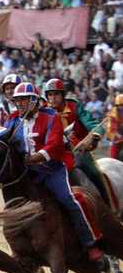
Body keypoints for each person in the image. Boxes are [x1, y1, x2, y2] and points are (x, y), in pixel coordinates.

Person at [0, 83, 104, 263]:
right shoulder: (14, 119)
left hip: (53, 170)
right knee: (13, 204)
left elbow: (54, 144)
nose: (19, 103)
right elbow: (1, 133)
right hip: (30, 173)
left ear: (34, 101)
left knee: (70, 199)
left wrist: (36, 157)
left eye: (23, 100)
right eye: (17, 100)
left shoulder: (50, 117)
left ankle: (91, 242)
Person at [43, 78, 112, 207]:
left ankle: (109, 205)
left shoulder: (74, 106)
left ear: (63, 95)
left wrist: (94, 135)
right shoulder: (44, 111)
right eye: (50, 95)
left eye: (56, 94)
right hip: (54, 153)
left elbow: (92, 123)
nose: (52, 98)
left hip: (78, 151)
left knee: (94, 173)